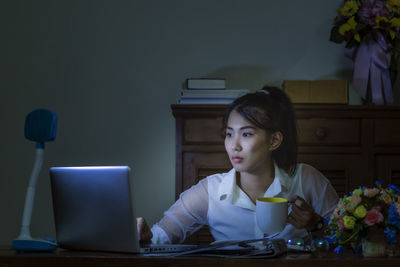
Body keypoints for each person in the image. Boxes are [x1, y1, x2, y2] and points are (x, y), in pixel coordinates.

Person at [137, 86, 339, 244]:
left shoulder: (305, 178)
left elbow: (353, 241)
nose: (234, 145)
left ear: (274, 141)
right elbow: (157, 238)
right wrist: (141, 234)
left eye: (247, 134)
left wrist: (316, 224)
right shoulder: (210, 191)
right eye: (229, 134)